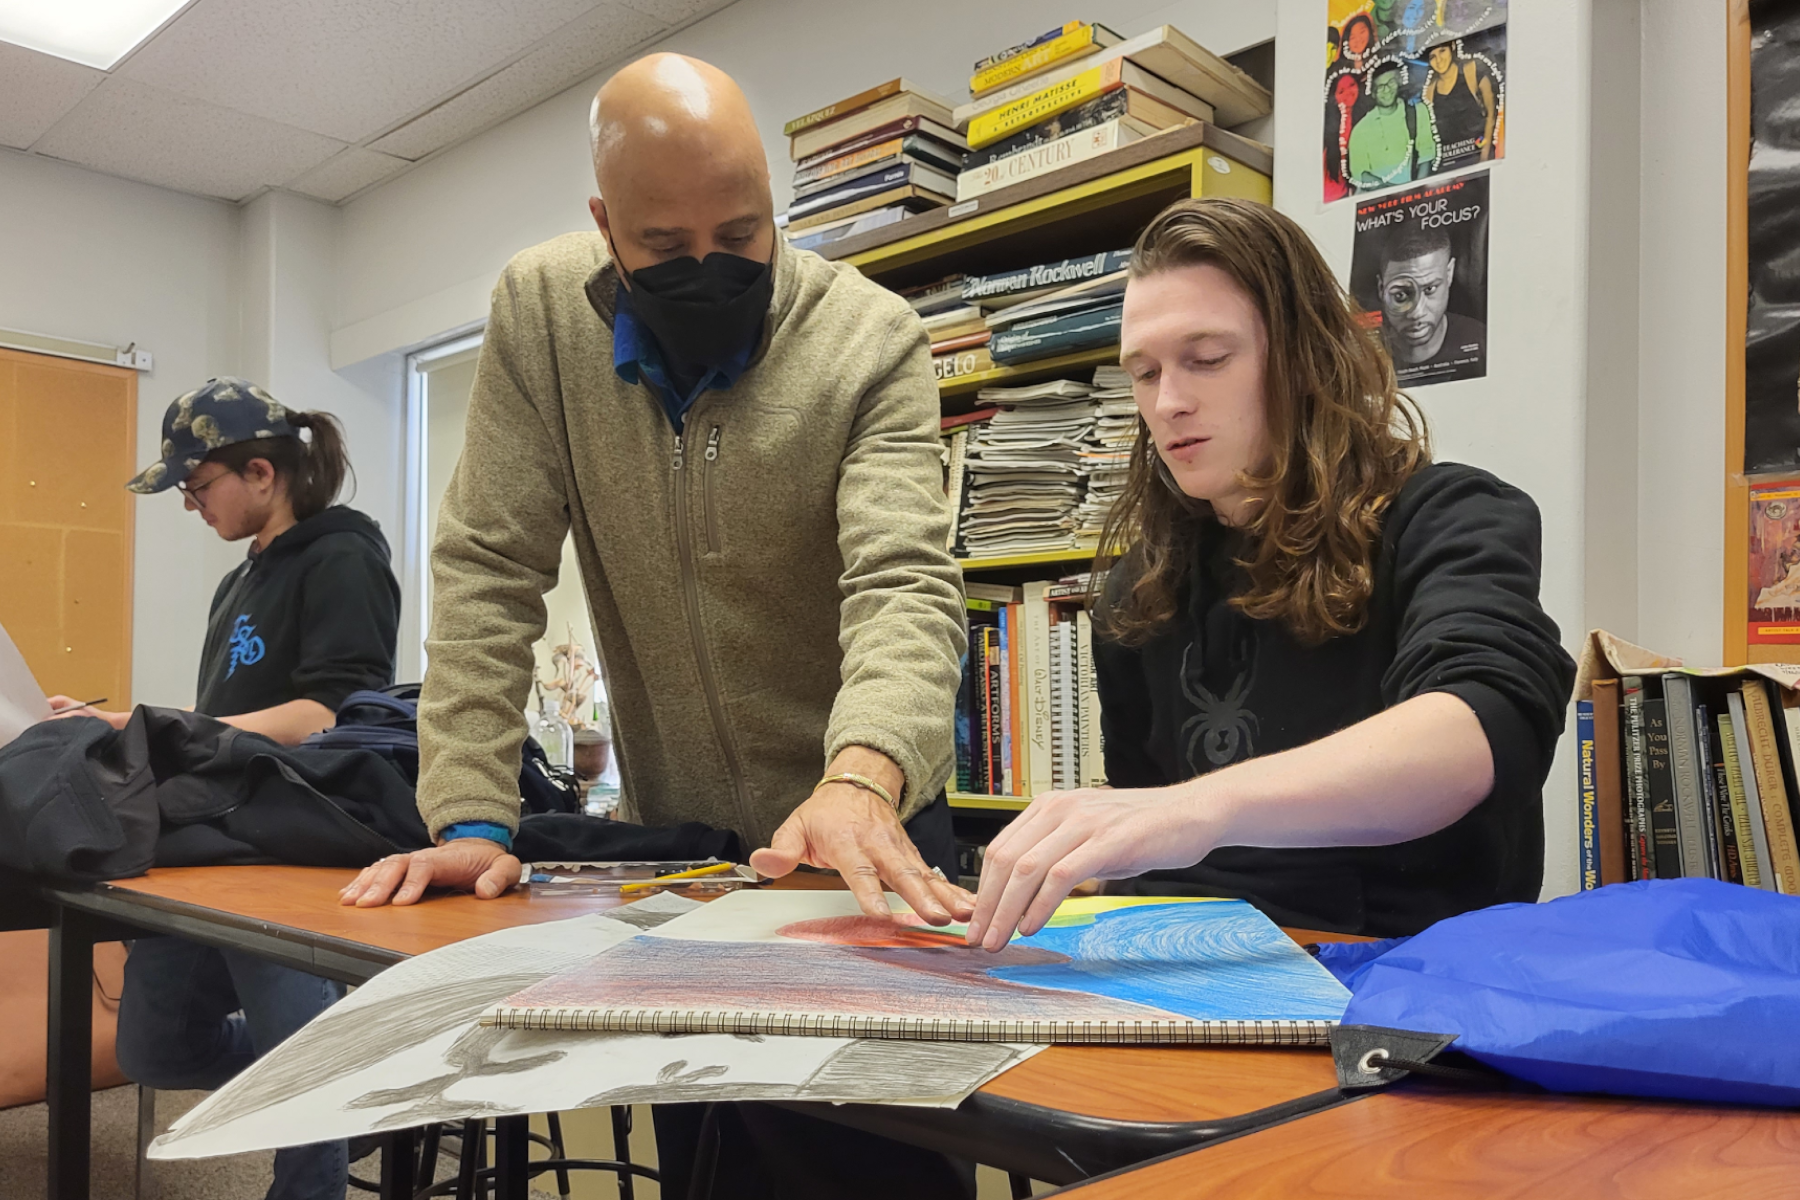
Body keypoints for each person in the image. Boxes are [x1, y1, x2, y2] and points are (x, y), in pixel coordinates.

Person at [335, 52, 975, 1198]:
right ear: (606, 225)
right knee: (714, 1169)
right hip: (686, 867)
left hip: (864, 850)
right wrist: (474, 813)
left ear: (773, 203)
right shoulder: (542, 314)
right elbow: (488, 568)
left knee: (871, 1168)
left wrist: (864, 775)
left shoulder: (871, 339)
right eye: (668, 251)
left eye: (741, 236)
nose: (710, 268)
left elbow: (905, 585)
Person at [965, 198, 1574, 951]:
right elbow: (1150, 863)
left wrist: (1193, 810)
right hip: (1190, 971)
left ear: (1304, 355)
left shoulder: (1451, 515)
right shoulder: (1137, 592)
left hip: (1402, 982)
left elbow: (1480, 731)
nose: (1169, 402)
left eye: (1208, 359)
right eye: (1144, 372)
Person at [56, 378, 401, 1200]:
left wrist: (147, 722)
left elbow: (330, 713)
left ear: (260, 471)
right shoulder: (239, 580)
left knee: (303, 1102)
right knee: (154, 1050)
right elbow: (223, 720)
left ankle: (318, 1092)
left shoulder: (344, 554)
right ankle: (331, 1073)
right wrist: (130, 724)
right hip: (213, 841)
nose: (189, 505)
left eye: (196, 485)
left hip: (286, 845)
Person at [1376, 222, 1486, 380]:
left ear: (1449, 274)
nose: (1416, 313)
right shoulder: (1361, 354)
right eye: (1400, 295)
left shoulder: (1482, 343)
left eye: (1429, 290)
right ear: (1381, 288)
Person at [1347, 61, 1436, 190]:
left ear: (1399, 83)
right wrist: (1397, 195)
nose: (1386, 90)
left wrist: (1417, 193)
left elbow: (1426, 156)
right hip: (1377, 202)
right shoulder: (1361, 129)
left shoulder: (1418, 112)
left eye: (1391, 82)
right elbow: (1361, 175)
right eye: (1380, 86)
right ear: (1373, 93)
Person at [1424, 40, 1499, 169]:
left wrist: (1484, 156)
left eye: (1442, 51)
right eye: (1432, 57)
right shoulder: (1430, 91)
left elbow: (1491, 115)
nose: (1439, 60)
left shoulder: (1472, 71)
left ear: (1452, 47)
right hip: (1449, 163)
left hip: (1479, 153)